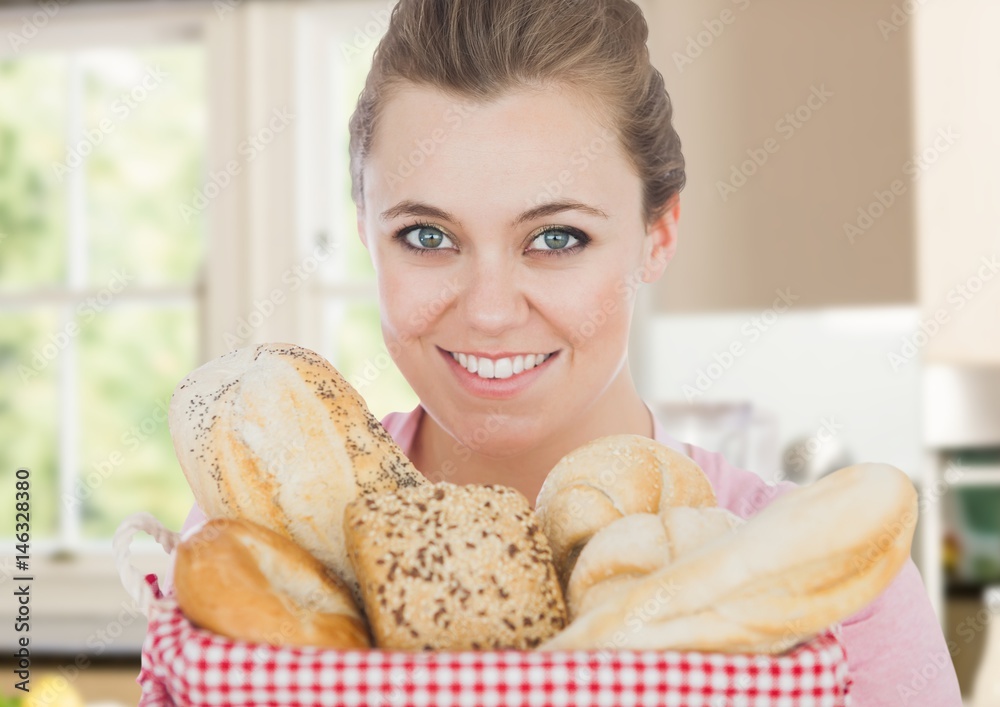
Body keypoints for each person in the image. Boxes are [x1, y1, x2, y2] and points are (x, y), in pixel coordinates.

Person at [179, 0, 962, 703]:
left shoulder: (836, 577)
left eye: (557, 237)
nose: (488, 311)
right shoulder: (251, 547)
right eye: (426, 236)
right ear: (365, 235)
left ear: (658, 234)